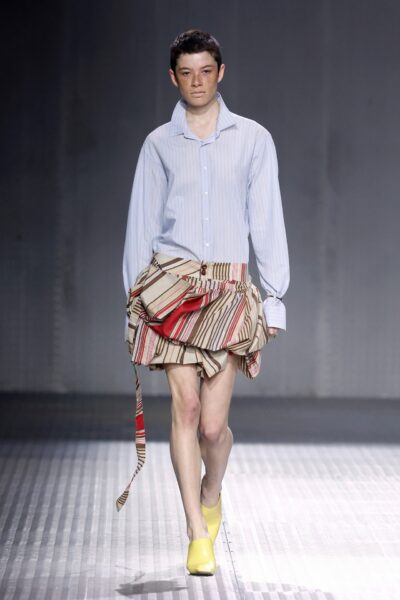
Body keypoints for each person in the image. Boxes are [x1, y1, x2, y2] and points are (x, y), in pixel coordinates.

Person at [116, 29, 290, 576]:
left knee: (214, 428)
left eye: (205, 71)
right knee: (185, 411)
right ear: (173, 78)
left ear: (221, 73)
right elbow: (141, 224)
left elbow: (267, 219)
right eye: (186, 73)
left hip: (228, 291)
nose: (197, 82)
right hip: (172, 289)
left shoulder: (254, 139)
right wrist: (134, 302)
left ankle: (211, 493)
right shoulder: (158, 144)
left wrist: (276, 297)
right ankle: (196, 530)